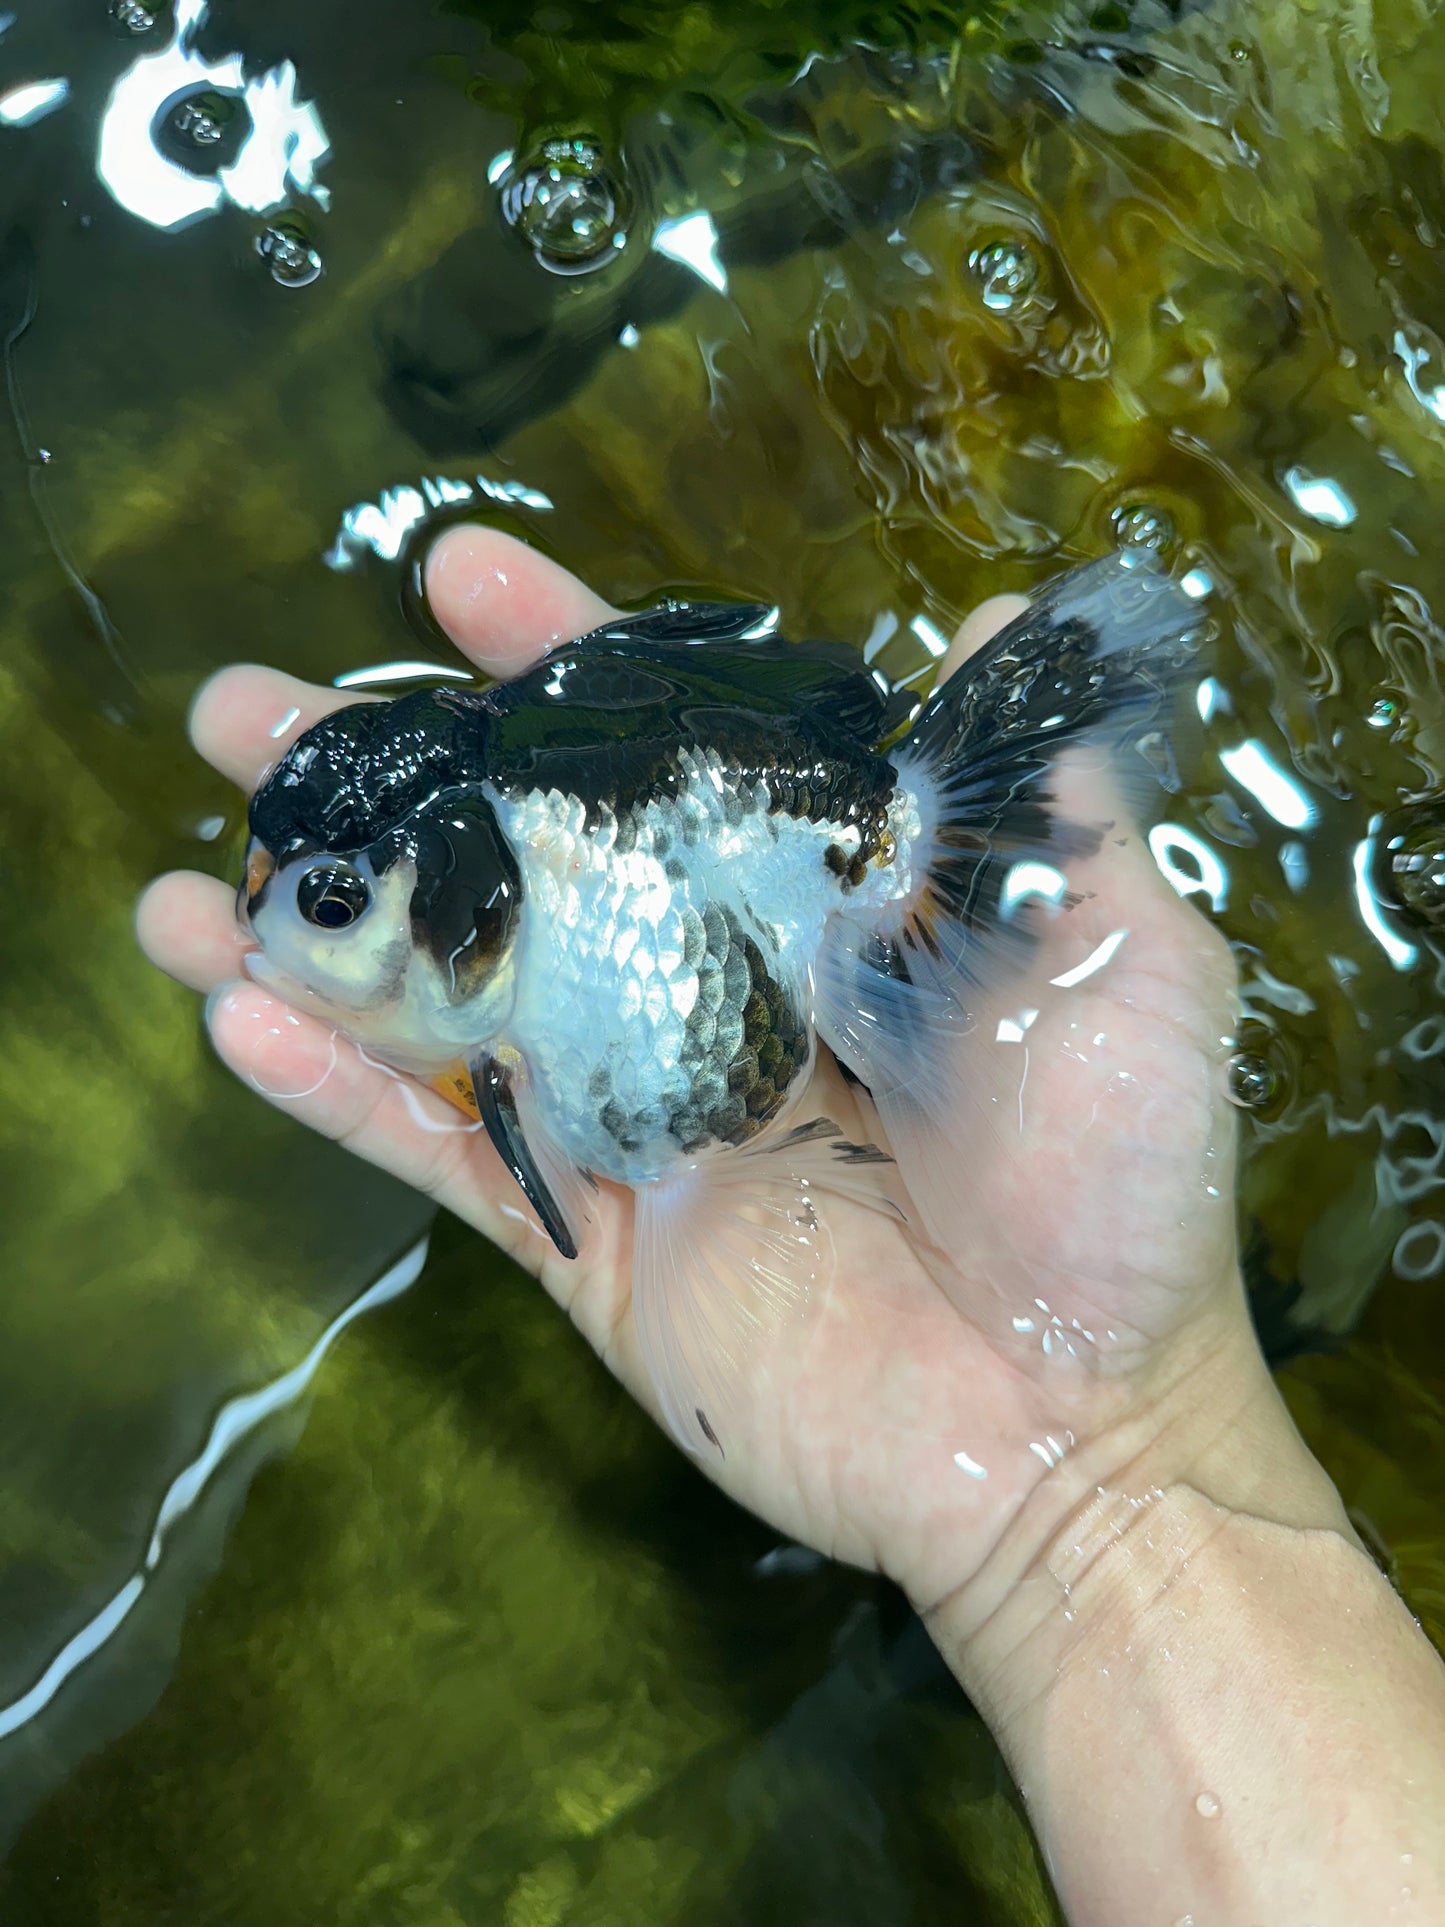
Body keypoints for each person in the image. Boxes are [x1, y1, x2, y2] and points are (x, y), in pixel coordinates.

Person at [138, 526, 1445, 1925]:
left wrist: (1103, 1473)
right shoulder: (490, 912)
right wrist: (1104, 1493)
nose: (288, 933)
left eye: (333, 909)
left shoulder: (554, 939)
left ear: (469, 918)